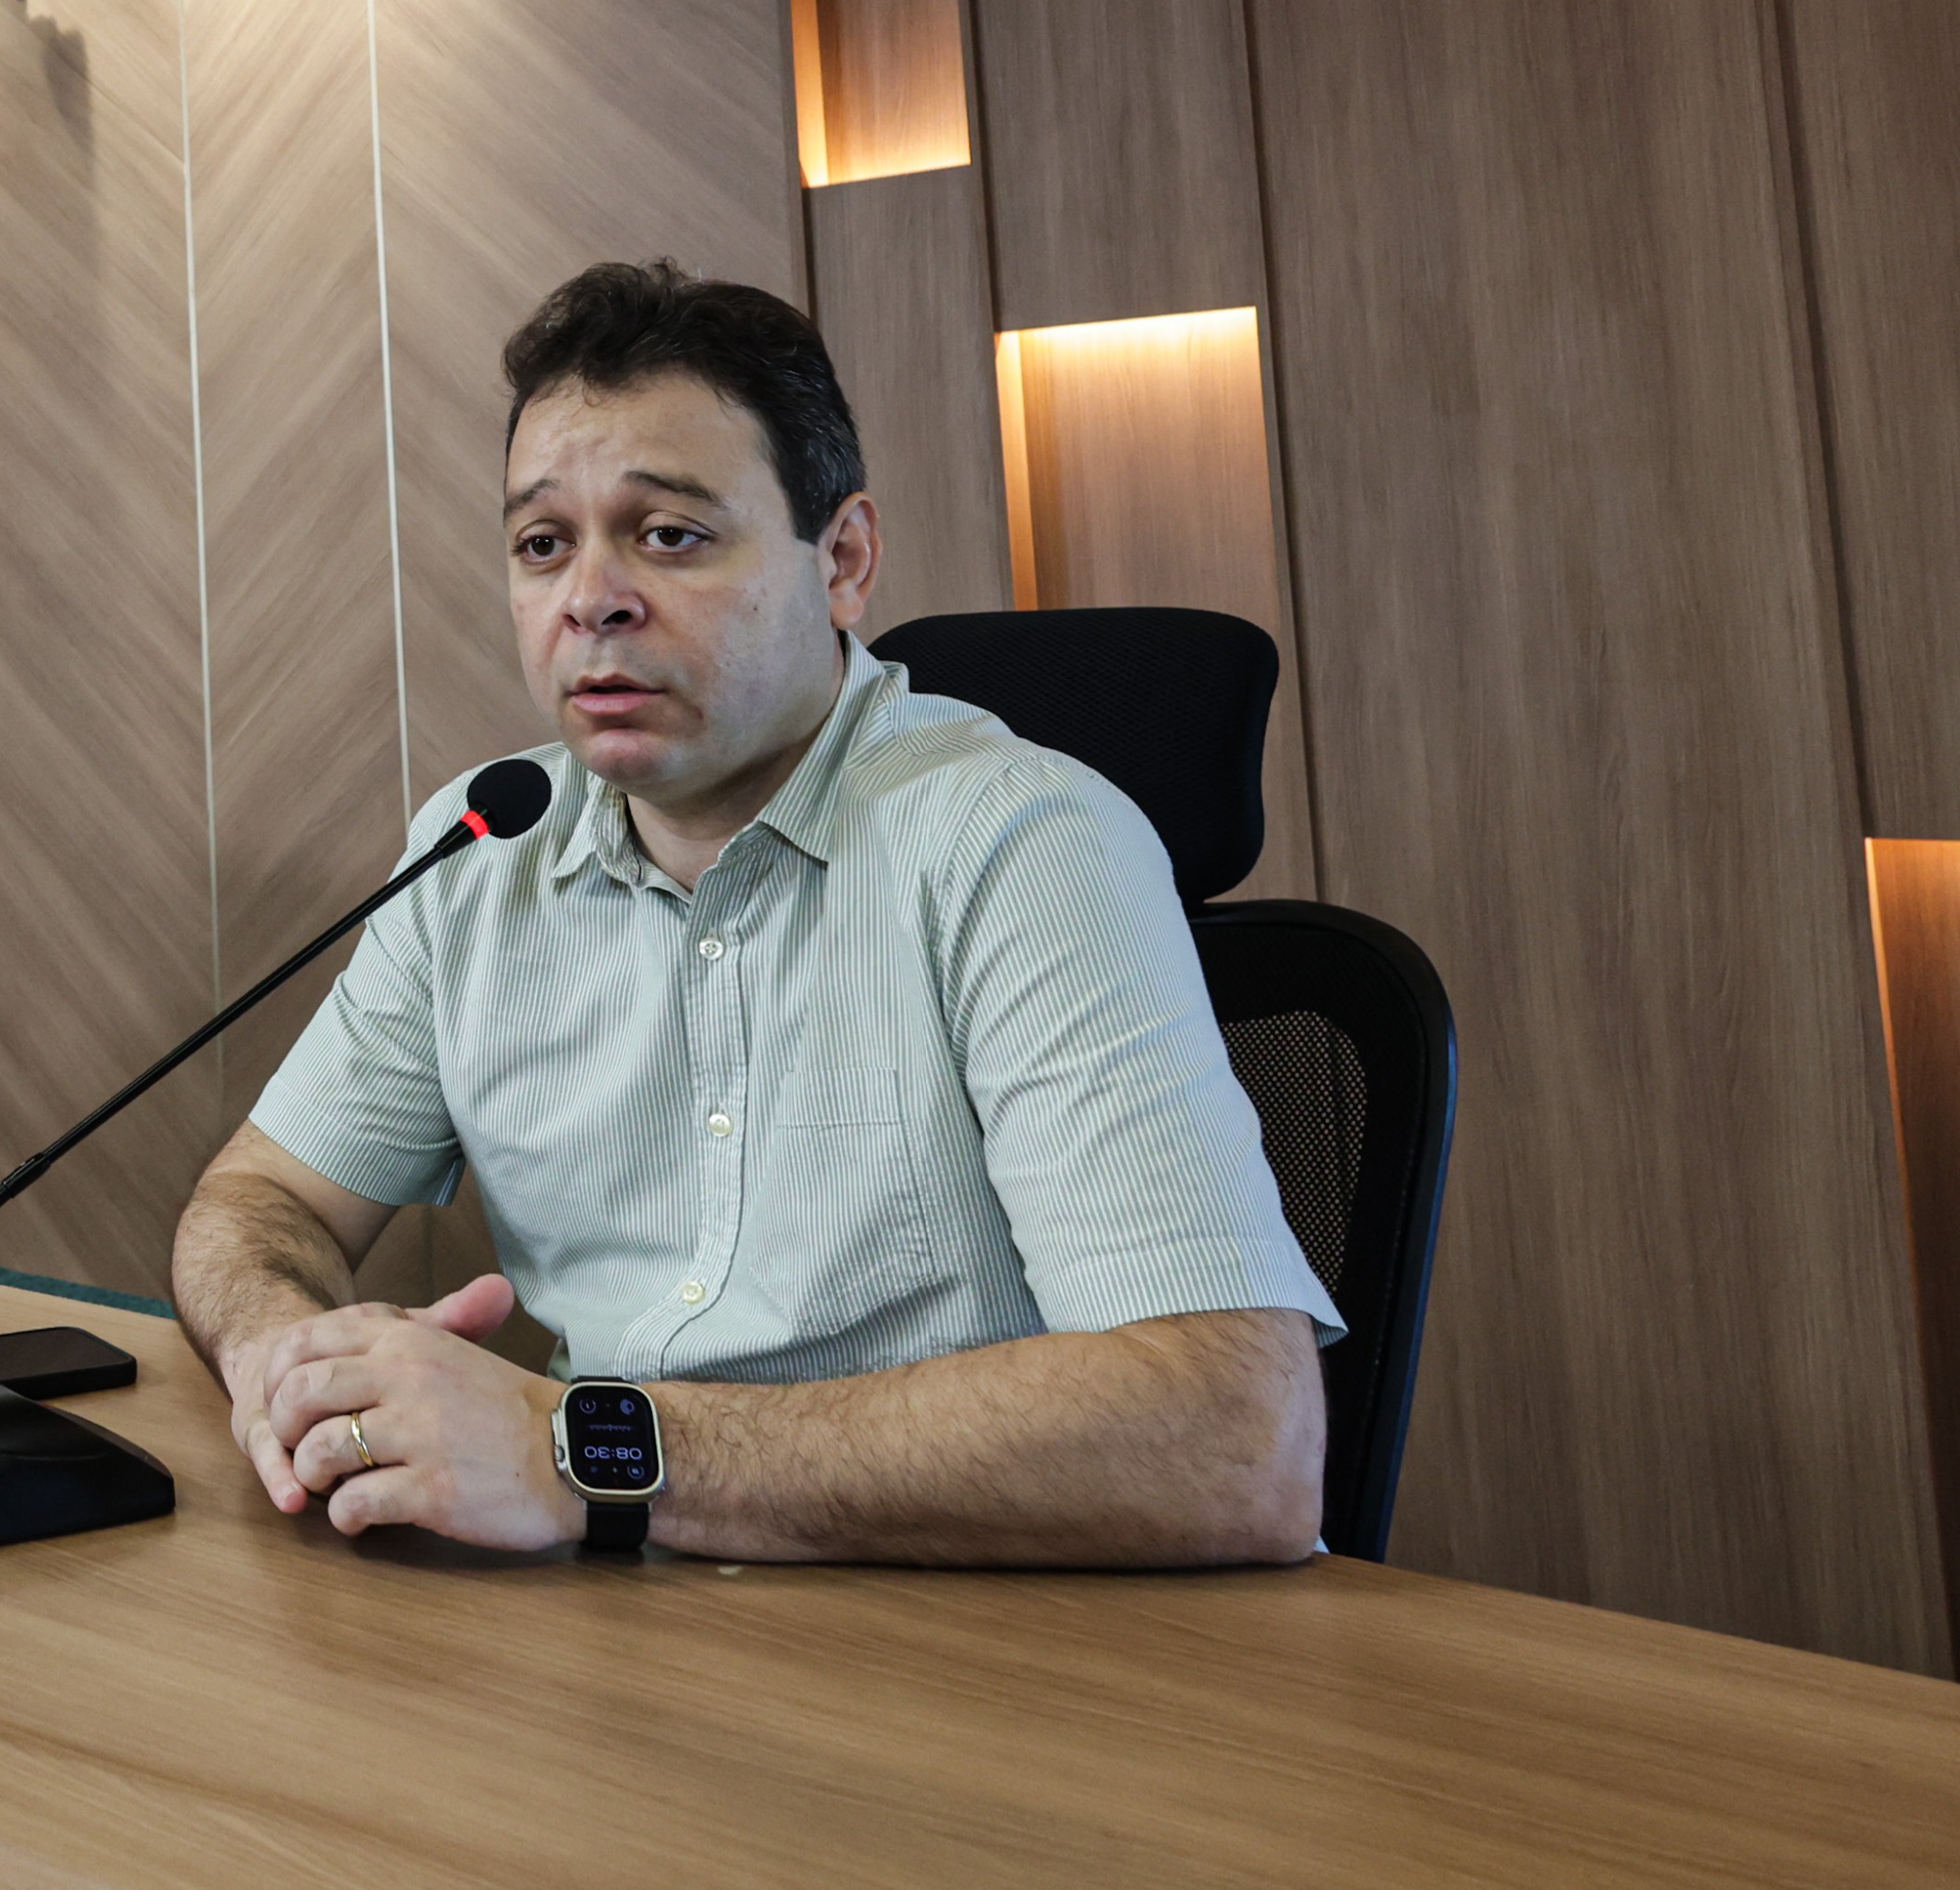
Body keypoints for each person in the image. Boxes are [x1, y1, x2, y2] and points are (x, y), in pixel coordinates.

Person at [166, 259, 1337, 1569]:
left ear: (842, 559)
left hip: (972, 1626)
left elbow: (1236, 1433)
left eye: (669, 534)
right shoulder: (482, 849)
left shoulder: (1021, 844)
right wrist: (287, 1362)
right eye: (543, 543)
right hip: (610, 1611)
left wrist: (590, 1450)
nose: (590, 597)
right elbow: (258, 1200)